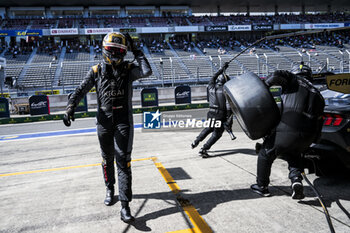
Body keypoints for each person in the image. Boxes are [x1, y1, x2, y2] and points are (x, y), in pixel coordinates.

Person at [63, 32, 152, 222]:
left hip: (123, 121)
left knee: (124, 161)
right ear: (104, 50)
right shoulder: (96, 71)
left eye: (120, 51)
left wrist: (136, 49)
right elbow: (80, 90)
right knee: (106, 158)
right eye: (112, 51)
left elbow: (146, 71)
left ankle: (125, 206)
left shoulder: (129, 69)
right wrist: (70, 107)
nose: (116, 55)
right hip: (104, 122)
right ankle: (110, 188)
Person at [251, 63, 324, 199]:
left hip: (288, 129)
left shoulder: (294, 79)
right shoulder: (319, 95)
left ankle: (262, 187)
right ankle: (296, 181)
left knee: (265, 154)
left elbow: (277, 75)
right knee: (294, 156)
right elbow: (320, 121)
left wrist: (264, 86)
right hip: (308, 136)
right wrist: (314, 140)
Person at [191, 62, 236, 158]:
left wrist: (222, 69)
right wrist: (229, 119)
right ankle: (204, 149)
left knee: (208, 128)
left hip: (210, 113)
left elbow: (213, 77)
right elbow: (228, 106)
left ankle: (196, 141)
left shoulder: (211, 86)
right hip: (220, 114)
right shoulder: (226, 91)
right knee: (217, 134)